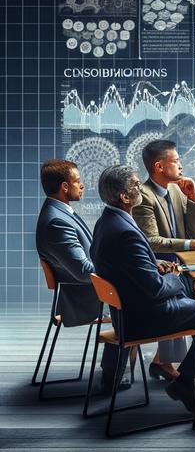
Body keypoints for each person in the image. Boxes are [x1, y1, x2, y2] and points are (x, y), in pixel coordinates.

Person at [89, 165, 195, 415]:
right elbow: (155, 289)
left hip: (127, 312)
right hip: (145, 317)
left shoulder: (106, 222)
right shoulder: (126, 232)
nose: (140, 187)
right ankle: (186, 382)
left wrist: (153, 263)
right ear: (124, 197)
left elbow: (121, 262)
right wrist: (175, 277)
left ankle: (185, 378)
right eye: (135, 184)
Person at [131, 139, 195, 384]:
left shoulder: (175, 189)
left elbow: (191, 233)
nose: (181, 165)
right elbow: (152, 241)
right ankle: (172, 366)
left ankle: (163, 362)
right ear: (159, 166)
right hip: (160, 270)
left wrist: (193, 200)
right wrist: (190, 245)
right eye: (175, 161)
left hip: (179, 264)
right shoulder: (143, 196)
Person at [36, 159, 119, 386]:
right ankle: (112, 376)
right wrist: (118, 267)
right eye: (77, 181)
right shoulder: (56, 222)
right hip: (84, 298)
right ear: (64, 187)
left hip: (84, 291)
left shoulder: (59, 213)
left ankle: (115, 372)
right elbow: (83, 272)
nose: (82, 185)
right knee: (138, 300)